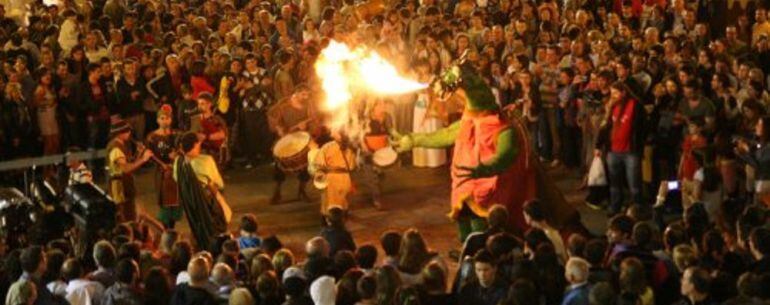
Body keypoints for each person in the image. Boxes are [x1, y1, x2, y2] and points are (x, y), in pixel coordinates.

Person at [173, 132, 231, 252]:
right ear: (193, 146)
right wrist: (221, 200)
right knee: (216, 227)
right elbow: (218, 184)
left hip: (190, 205)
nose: (200, 147)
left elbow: (177, 179)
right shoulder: (205, 161)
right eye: (198, 145)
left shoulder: (178, 162)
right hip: (207, 200)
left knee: (197, 228)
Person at [595, 81, 645, 214]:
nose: (613, 96)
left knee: (634, 184)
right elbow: (605, 127)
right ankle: (615, 207)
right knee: (614, 184)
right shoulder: (611, 106)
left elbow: (642, 128)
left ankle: (637, 210)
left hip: (630, 151)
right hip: (613, 150)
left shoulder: (636, 106)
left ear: (624, 93)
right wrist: (598, 145)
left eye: (616, 93)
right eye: (612, 93)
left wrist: (639, 146)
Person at [268, 85, 315, 204]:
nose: (306, 97)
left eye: (307, 94)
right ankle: (277, 192)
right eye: (303, 94)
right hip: (286, 137)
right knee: (279, 167)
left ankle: (302, 190)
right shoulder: (283, 104)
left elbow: (314, 119)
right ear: (296, 93)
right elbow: (272, 116)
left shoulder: (308, 105)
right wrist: (280, 129)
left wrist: (307, 127)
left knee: (306, 166)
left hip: (302, 138)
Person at [106, 118, 154, 223]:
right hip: (119, 188)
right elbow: (126, 169)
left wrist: (139, 153)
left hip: (125, 185)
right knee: (124, 215)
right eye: (127, 131)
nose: (129, 133)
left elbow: (130, 164)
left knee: (130, 212)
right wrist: (143, 159)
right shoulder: (115, 148)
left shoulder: (122, 144)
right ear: (119, 133)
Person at [146, 104, 182, 228]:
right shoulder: (152, 137)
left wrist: (177, 155)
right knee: (164, 203)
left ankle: (172, 228)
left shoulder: (177, 135)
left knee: (175, 202)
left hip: (175, 172)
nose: (164, 121)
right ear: (157, 120)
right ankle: (165, 229)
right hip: (161, 173)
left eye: (167, 118)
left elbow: (184, 150)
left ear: (171, 119)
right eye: (162, 118)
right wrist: (161, 164)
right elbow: (149, 157)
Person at [312, 129, 357, 215]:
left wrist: (319, 174)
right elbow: (352, 166)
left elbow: (319, 163)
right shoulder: (350, 147)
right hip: (346, 178)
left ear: (338, 135)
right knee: (343, 200)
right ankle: (343, 216)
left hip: (333, 179)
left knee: (332, 203)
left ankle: (333, 222)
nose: (332, 132)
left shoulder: (328, 147)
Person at [190, 92, 228, 167]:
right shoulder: (195, 119)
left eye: (202, 104)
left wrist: (206, 137)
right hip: (199, 153)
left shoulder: (216, 119)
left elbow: (223, 135)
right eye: (199, 104)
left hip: (214, 153)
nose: (199, 106)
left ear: (209, 104)